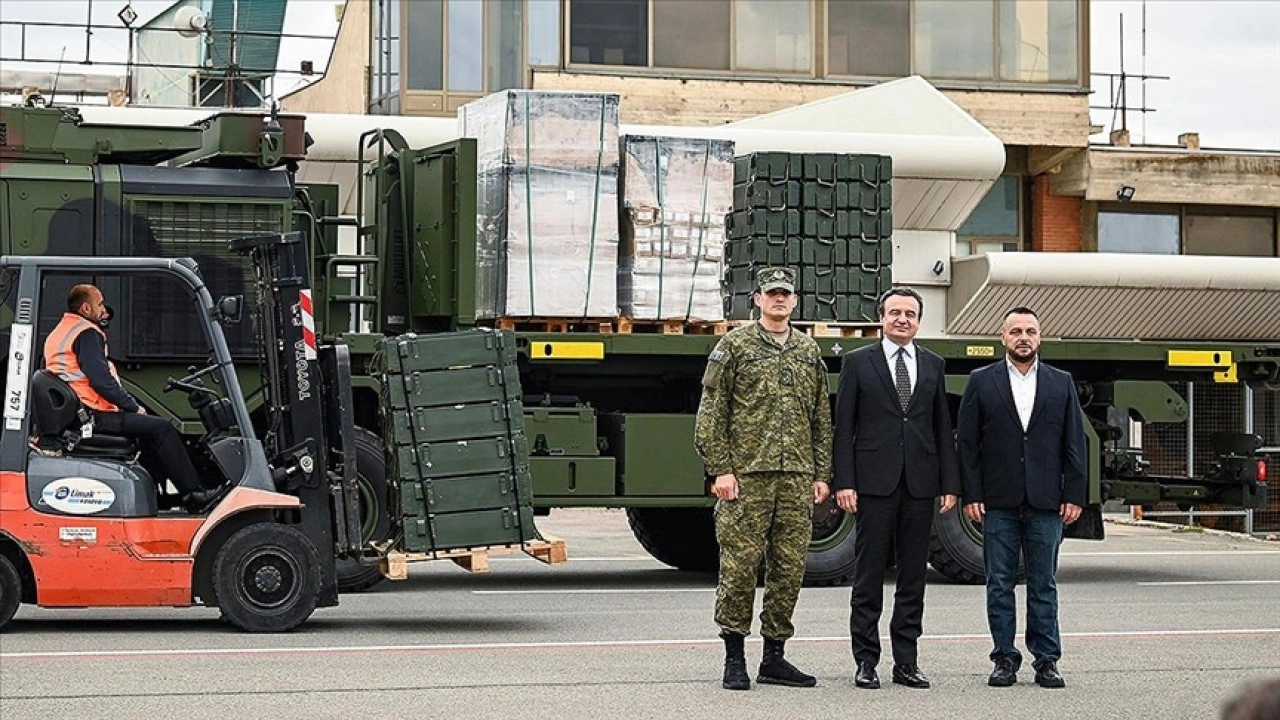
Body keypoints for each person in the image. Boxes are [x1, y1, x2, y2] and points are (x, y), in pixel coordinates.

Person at [694, 266, 833, 691]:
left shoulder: (808, 351)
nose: (778, 300)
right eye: (771, 293)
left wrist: (821, 473)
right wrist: (720, 469)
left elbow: (821, 417)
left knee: (789, 569)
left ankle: (775, 656)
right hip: (747, 479)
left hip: (795, 477)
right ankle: (734, 657)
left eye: (785, 294)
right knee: (739, 568)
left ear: (794, 302)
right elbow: (711, 412)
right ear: (756, 299)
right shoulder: (734, 346)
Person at [832, 286, 960, 690]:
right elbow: (844, 428)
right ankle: (866, 661)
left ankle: (906, 662)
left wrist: (949, 484)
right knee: (868, 573)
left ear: (919, 320)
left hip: (920, 485)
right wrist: (845, 481)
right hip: (873, 483)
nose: (902, 319)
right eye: (895, 312)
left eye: (910, 313)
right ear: (881, 318)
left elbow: (942, 427)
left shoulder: (934, 364)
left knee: (912, 578)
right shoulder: (857, 362)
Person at [956, 306, 1087, 689]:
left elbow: (1074, 443)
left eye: (1030, 330)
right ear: (1003, 338)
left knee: (1043, 583)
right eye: (1016, 331)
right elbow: (968, 445)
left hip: (1047, 501)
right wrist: (972, 493)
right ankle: (1004, 659)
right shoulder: (982, 381)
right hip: (999, 500)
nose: (1023, 337)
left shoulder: (1061, 383)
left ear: (1040, 337)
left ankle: (1047, 660)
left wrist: (1074, 493)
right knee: (999, 582)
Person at [43, 284, 222, 513]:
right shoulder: (87, 332)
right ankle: (194, 494)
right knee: (163, 429)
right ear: (86, 308)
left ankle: (157, 497)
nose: (103, 311)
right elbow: (100, 380)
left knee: (147, 432)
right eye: (99, 305)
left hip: (78, 413)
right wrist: (132, 406)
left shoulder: (60, 332)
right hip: (93, 414)